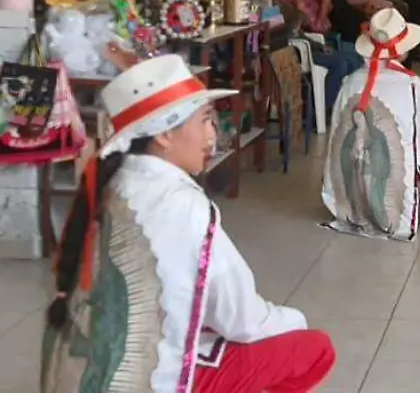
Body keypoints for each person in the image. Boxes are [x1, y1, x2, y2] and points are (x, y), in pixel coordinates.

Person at [40, 55, 336, 392]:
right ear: (165, 133)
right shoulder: (181, 203)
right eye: (206, 121)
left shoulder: (113, 179)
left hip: (84, 372)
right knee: (314, 347)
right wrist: (294, 320)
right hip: (145, 381)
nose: (213, 134)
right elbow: (241, 319)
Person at [322, 9, 420, 241]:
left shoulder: (351, 80)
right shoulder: (412, 84)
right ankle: (406, 194)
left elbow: (337, 134)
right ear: (404, 51)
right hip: (389, 167)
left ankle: (358, 198)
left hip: (350, 173)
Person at [273, 0, 363, 112]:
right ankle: (321, 111)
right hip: (293, 53)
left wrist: (319, 46)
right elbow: (293, 35)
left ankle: (341, 106)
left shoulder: (292, 5)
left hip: (307, 45)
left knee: (353, 60)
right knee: (341, 64)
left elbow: (299, 33)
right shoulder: (277, 9)